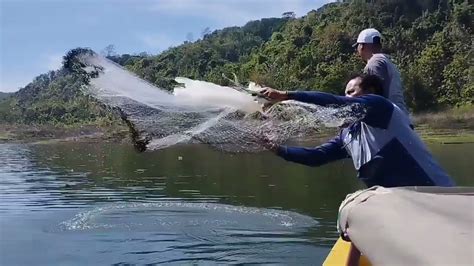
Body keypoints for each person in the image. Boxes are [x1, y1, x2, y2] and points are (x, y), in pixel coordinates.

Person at [261, 74, 454, 188]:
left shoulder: (381, 108)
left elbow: (337, 103)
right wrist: (277, 150)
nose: (347, 97)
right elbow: (317, 156)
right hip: (403, 202)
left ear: (370, 92)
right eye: (346, 93)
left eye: (351, 92)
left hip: (435, 194)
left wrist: (286, 95)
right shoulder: (349, 134)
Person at [354, 28, 410, 116]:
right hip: (399, 115)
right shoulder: (386, 60)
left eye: (357, 46)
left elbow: (376, 96)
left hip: (390, 119)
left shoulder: (374, 63)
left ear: (362, 46)